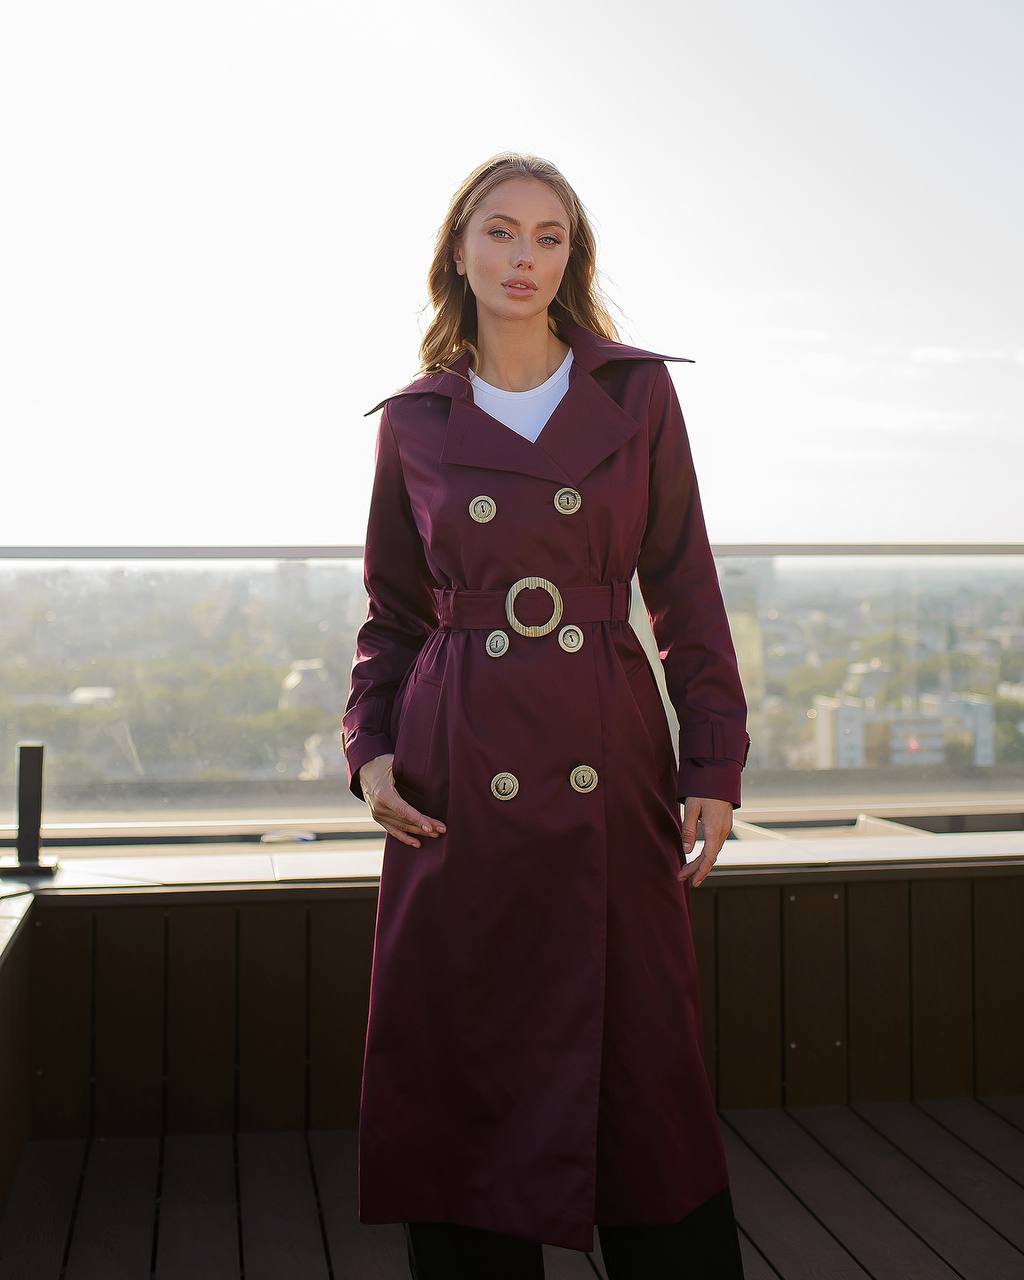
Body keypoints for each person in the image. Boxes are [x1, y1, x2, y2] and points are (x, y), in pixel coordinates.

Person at [342, 151, 750, 1278]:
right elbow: (390, 609)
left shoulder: (632, 391)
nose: (525, 257)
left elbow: (683, 582)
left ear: (573, 259)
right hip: (455, 766)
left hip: (606, 750)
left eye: (549, 237)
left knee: (640, 1058)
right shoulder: (416, 419)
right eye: (501, 232)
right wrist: (371, 750)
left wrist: (711, 757)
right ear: (458, 252)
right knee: (464, 1055)